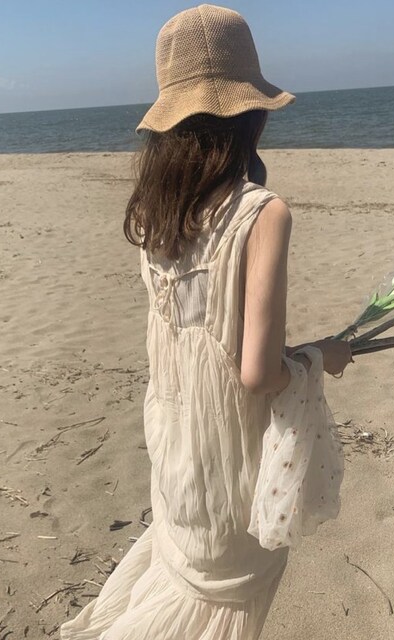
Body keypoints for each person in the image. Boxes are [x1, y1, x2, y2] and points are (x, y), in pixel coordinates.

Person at [60, 5, 351, 639]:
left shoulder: (154, 211)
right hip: (229, 454)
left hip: (174, 438)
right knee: (222, 600)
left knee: (180, 572)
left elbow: (196, 333)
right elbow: (256, 375)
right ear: (251, 113)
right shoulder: (262, 213)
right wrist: (318, 358)